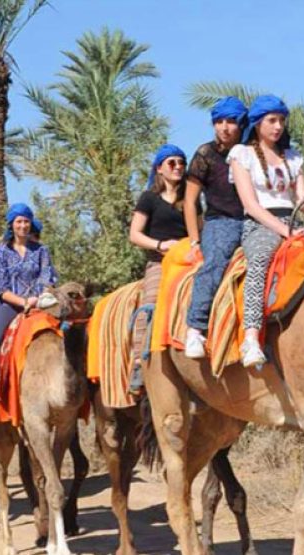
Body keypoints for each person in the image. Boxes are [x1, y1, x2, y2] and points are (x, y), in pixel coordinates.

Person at [229, 94, 304, 367]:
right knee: (259, 260)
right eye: (272, 120)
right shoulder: (242, 155)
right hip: (260, 224)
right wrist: (285, 231)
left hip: (294, 222)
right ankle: (250, 337)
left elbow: (302, 202)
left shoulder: (293, 158)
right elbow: (250, 205)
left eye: (281, 120)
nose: (278, 126)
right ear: (258, 123)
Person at [0, 203, 57, 428]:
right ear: (12, 225)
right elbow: (1, 289)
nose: (23, 225)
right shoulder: (1, 252)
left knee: (69, 332)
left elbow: (48, 279)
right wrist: (23, 302)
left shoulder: (41, 251)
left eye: (26, 221)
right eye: (19, 221)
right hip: (10, 305)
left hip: (40, 304)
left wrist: (38, 299)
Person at [128, 143, 199, 393]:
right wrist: (160, 245)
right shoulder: (149, 198)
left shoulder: (190, 199)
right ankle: (138, 363)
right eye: (172, 163)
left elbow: (197, 229)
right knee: (150, 306)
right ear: (160, 168)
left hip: (188, 259)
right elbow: (135, 234)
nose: (178, 167)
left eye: (181, 162)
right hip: (160, 261)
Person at [183, 96, 249, 359]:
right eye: (219, 121)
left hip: (255, 221)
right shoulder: (205, 154)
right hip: (221, 222)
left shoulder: (253, 151)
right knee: (215, 263)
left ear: (241, 124)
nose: (224, 127)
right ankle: (195, 328)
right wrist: (194, 241)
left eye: (231, 121)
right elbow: (189, 201)